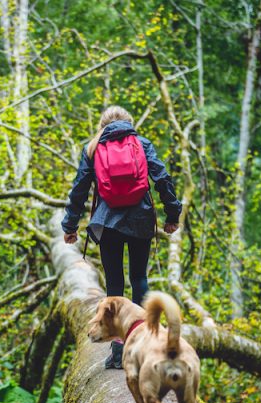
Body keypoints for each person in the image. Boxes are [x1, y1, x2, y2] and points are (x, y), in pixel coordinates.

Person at [61, 105, 182, 369]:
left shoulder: (92, 149)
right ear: (129, 122)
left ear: (102, 125)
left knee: (114, 284)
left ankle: (118, 352)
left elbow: (79, 189)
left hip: (107, 223)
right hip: (141, 220)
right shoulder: (141, 143)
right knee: (139, 279)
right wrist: (172, 214)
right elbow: (162, 178)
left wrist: (70, 226)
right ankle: (145, 343)